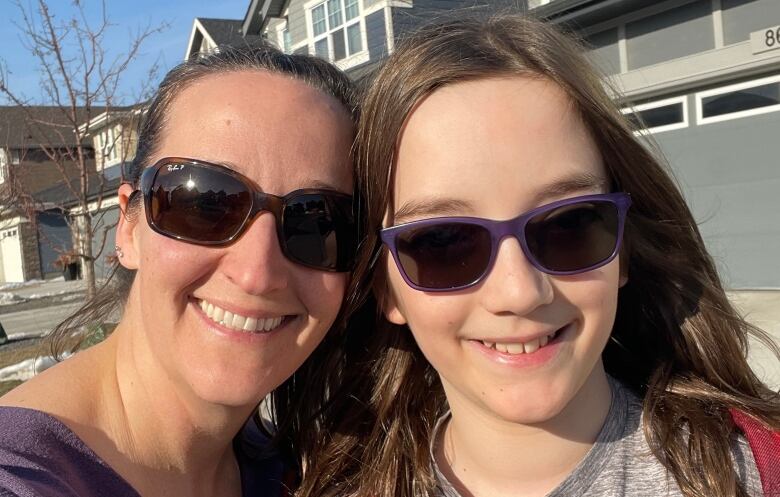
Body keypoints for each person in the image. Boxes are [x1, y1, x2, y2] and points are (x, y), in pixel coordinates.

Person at [299, 14, 780, 497]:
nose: (520, 292)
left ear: (624, 251)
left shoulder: (755, 471)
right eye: (443, 243)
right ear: (388, 289)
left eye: (568, 225)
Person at [0, 43, 359, 497]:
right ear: (128, 229)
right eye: (204, 203)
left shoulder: (292, 471)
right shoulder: (21, 480)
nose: (257, 273)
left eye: (317, 219)